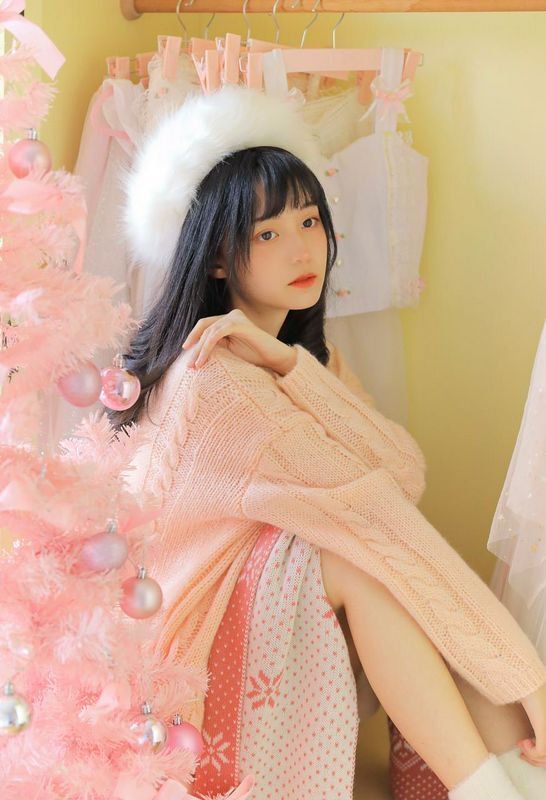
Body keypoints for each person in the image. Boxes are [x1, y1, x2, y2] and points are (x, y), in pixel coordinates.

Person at [110, 85, 546, 800]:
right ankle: (489, 788)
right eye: (267, 234)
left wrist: (292, 366)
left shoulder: (298, 359)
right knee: (366, 555)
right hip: (195, 641)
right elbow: (377, 512)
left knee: (388, 556)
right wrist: (528, 678)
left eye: (309, 219)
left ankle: (510, 779)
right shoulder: (219, 379)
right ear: (215, 259)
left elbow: (402, 472)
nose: (302, 247)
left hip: (259, 597)